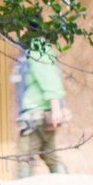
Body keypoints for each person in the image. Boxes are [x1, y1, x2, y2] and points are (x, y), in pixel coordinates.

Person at [14, 40, 68, 177]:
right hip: (34, 113)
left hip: (37, 116)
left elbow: (50, 80)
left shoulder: (37, 49)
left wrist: (56, 110)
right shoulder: (30, 49)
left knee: (25, 157)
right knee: (50, 155)